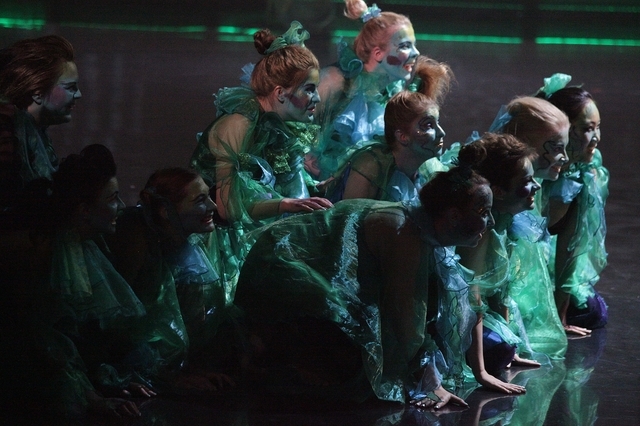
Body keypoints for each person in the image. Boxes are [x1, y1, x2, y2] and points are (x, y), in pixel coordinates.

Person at [234, 166, 498, 409]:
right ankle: (268, 349)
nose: (492, 222)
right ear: (453, 215)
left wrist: (479, 371)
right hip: (281, 268)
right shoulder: (404, 233)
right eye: (483, 212)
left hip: (312, 274)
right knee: (346, 366)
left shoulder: (426, 231)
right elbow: (405, 318)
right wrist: (431, 383)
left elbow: (460, 303)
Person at [2, 144, 150, 419]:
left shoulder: (85, 246)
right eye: (113, 198)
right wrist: (90, 396)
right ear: (83, 210)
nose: (120, 206)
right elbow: (42, 340)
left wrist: (106, 379)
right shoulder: (45, 252)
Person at [190, 21, 332, 299]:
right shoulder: (239, 124)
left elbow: (283, 183)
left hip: (256, 234)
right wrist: (285, 205)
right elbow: (227, 210)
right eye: (309, 89)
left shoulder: (279, 126)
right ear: (280, 93)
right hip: (215, 244)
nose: (317, 97)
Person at [108, 168, 236, 392]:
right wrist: (165, 378)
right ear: (165, 211)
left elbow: (193, 319)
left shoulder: (193, 242)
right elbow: (120, 322)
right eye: (200, 200)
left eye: (208, 197)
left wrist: (189, 369)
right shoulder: (136, 241)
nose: (213, 207)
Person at [455, 133, 543, 394]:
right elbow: (470, 295)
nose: (537, 187)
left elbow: (501, 287)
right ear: (499, 192)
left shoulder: (506, 221)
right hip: (456, 313)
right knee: (496, 350)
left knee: (504, 347)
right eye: (526, 182)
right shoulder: (481, 232)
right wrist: (480, 372)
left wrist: (510, 342)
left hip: (478, 314)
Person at [490, 96, 571, 358]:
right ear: (526, 144)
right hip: (487, 305)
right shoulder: (506, 200)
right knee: (499, 349)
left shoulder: (532, 191)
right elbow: (497, 277)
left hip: (508, 302)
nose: (565, 157)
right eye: (556, 148)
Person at [310, 0, 421, 179]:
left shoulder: (392, 91)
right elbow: (293, 127)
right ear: (378, 53)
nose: (416, 53)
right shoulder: (336, 81)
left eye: (413, 45)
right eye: (405, 46)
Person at [535, 74, 608, 333]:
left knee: (593, 311)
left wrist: (560, 317)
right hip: (517, 272)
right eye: (587, 129)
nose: (596, 137)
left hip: (547, 268)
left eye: (597, 127)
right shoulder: (533, 173)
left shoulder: (583, 174)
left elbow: (571, 245)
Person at [328, 62, 450, 203]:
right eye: (428, 125)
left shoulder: (427, 170)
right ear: (402, 136)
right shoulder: (372, 165)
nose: (442, 133)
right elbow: (349, 214)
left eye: (437, 123)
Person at [0, 35, 81, 203]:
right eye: (70, 87)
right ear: (37, 91)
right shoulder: (7, 134)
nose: (78, 94)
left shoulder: (33, 135)